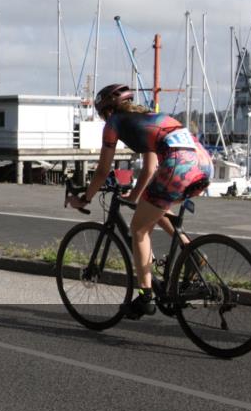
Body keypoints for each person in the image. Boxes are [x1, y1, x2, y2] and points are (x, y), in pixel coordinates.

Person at [67, 84, 212, 319]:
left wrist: (85, 198)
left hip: (180, 164)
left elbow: (103, 170)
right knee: (155, 207)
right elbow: (149, 168)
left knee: (138, 229)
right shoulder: (148, 118)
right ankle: (192, 253)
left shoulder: (114, 124)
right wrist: (134, 197)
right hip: (204, 162)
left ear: (107, 110)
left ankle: (146, 297)